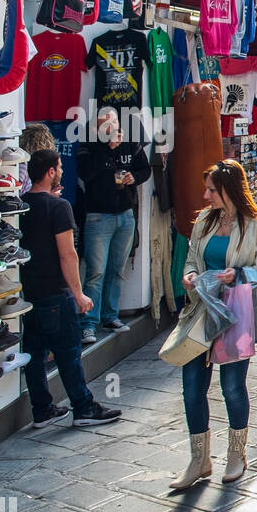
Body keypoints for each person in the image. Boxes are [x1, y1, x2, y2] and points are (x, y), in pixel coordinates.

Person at [171, 160, 257, 489]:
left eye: (211, 190)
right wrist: (189, 275)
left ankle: (236, 454)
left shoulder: (256, 224)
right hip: (201, 313)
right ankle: (199, 459)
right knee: (192, 389)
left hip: (235, 315)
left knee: (232, 387)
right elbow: (192, 257)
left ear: (229, 191)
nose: (205, 196)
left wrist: (239, 275)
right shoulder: (204, 220)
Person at [19, 149, 122, 429]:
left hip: (29, 295)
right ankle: (83, 407)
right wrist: (78, 293)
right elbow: (68, 254)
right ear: (51, 171)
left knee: (35, 357)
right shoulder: (59, 207)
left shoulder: (21, 204)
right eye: (60, 167)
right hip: (55, 292)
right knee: (68, 355)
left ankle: (41, 409)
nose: (62, 171)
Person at [76, 108, 150, 344]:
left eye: (114, 122)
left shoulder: (129, 143)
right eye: (105, 124)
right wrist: (106, 149)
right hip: (98, 216)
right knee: (95, 272)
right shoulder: (89, 145)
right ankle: (88, 323)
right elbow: (85, 174)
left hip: (125, 214)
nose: (111, 128)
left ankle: (110, 315)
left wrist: (134, 178)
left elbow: (145, 169)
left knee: (117, 269)